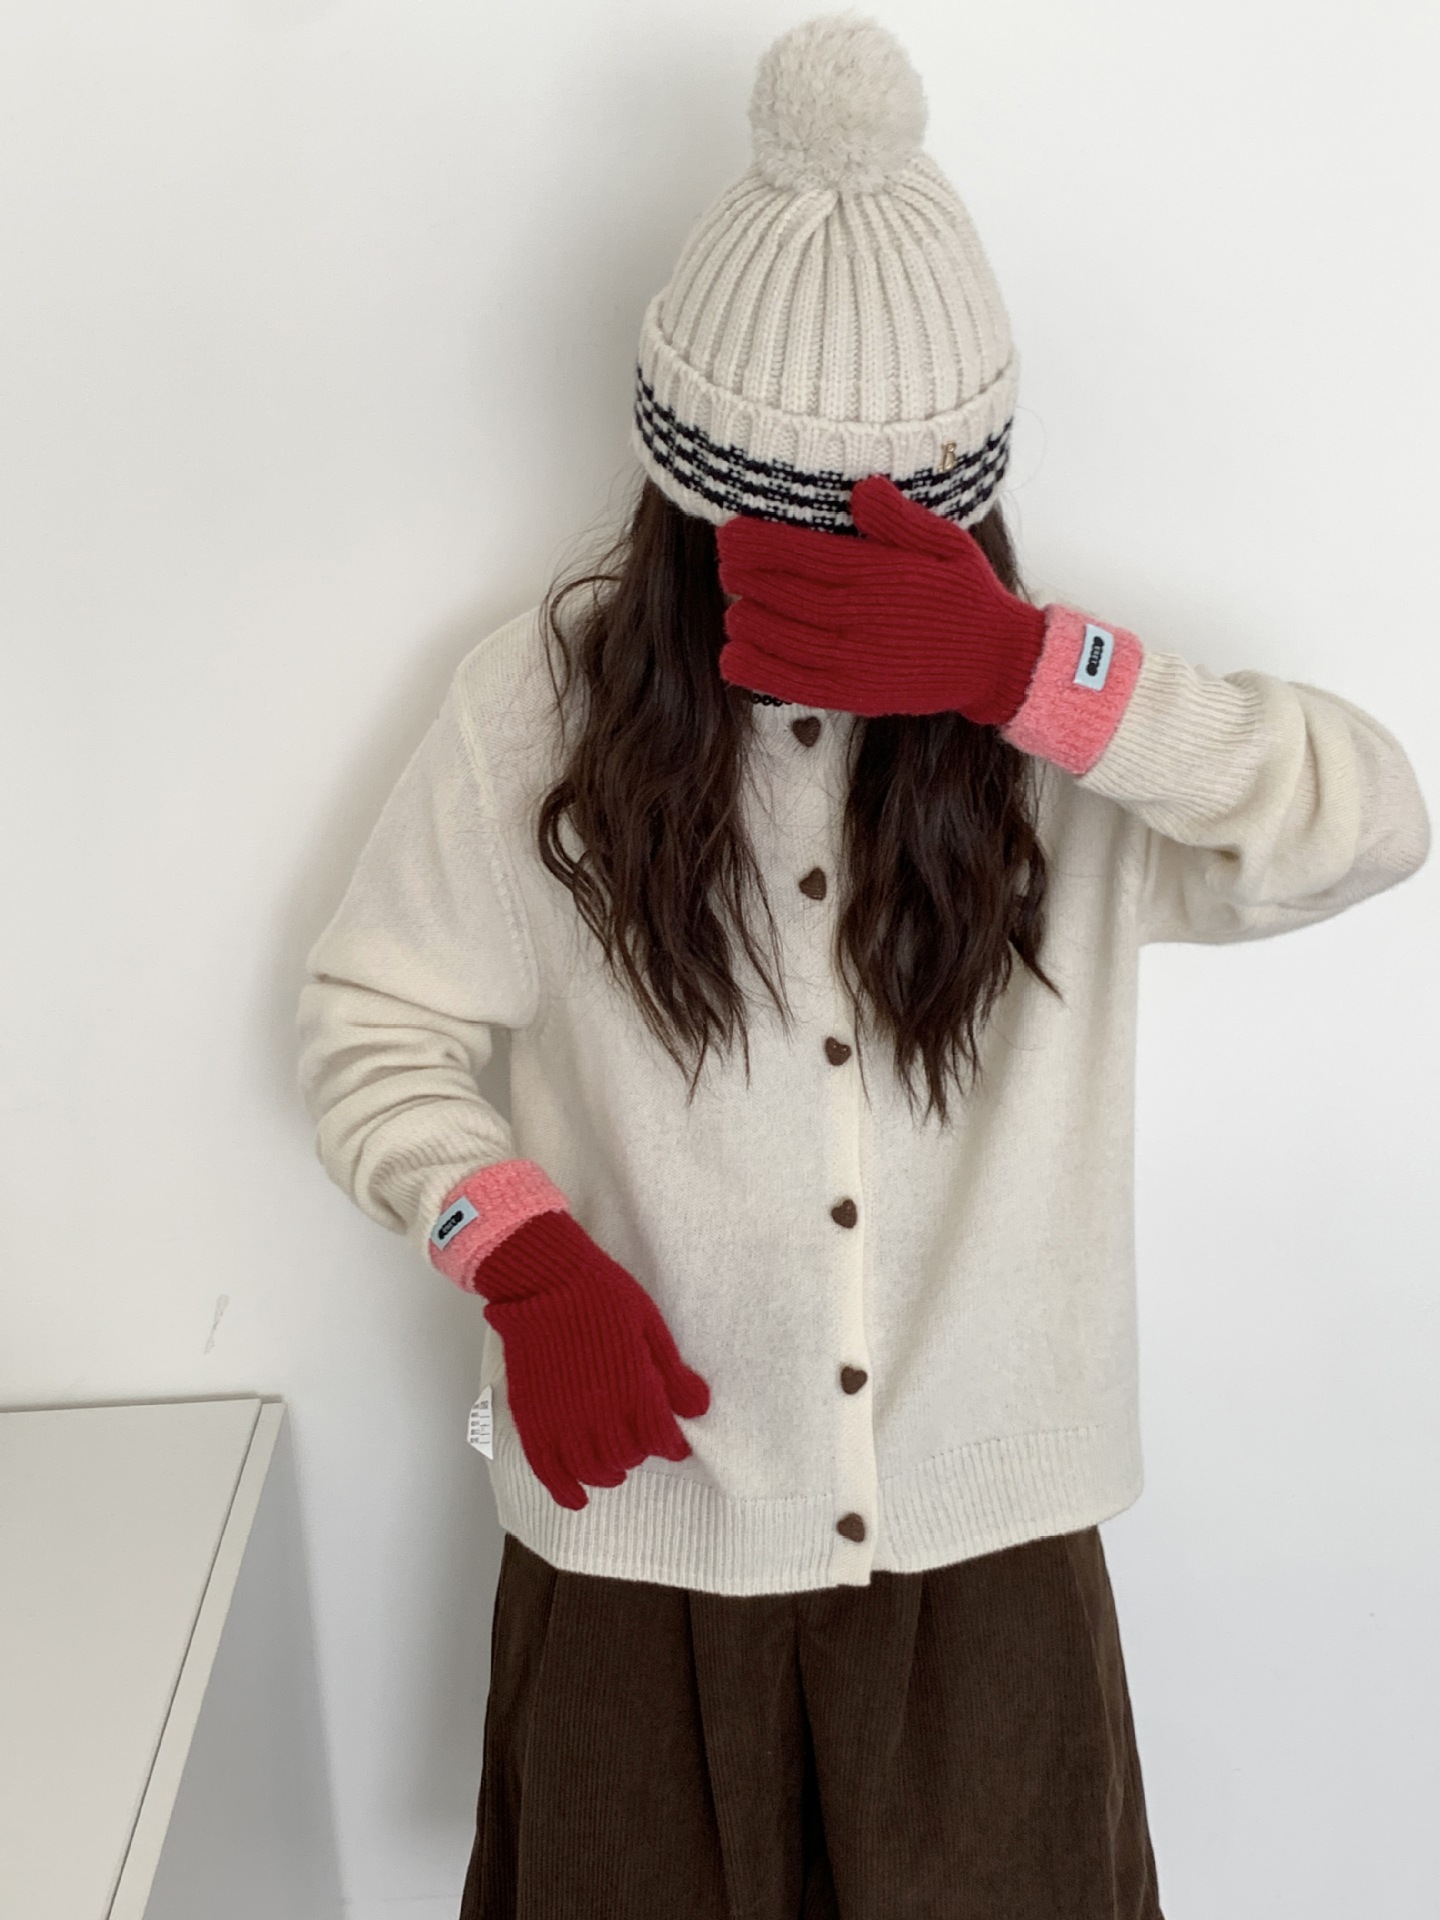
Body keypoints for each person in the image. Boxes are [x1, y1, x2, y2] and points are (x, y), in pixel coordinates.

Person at [296, 15, 1431, 1919]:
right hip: (640, 1539)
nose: (832, 586)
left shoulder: (1060, 747)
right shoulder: (534, 710)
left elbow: (1369, 824)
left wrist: (1024, 673)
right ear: (686, 489)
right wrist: (514, 1248)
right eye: (780, 531)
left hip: (991, 1582)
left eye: (894, 542)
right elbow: (370, 1022)